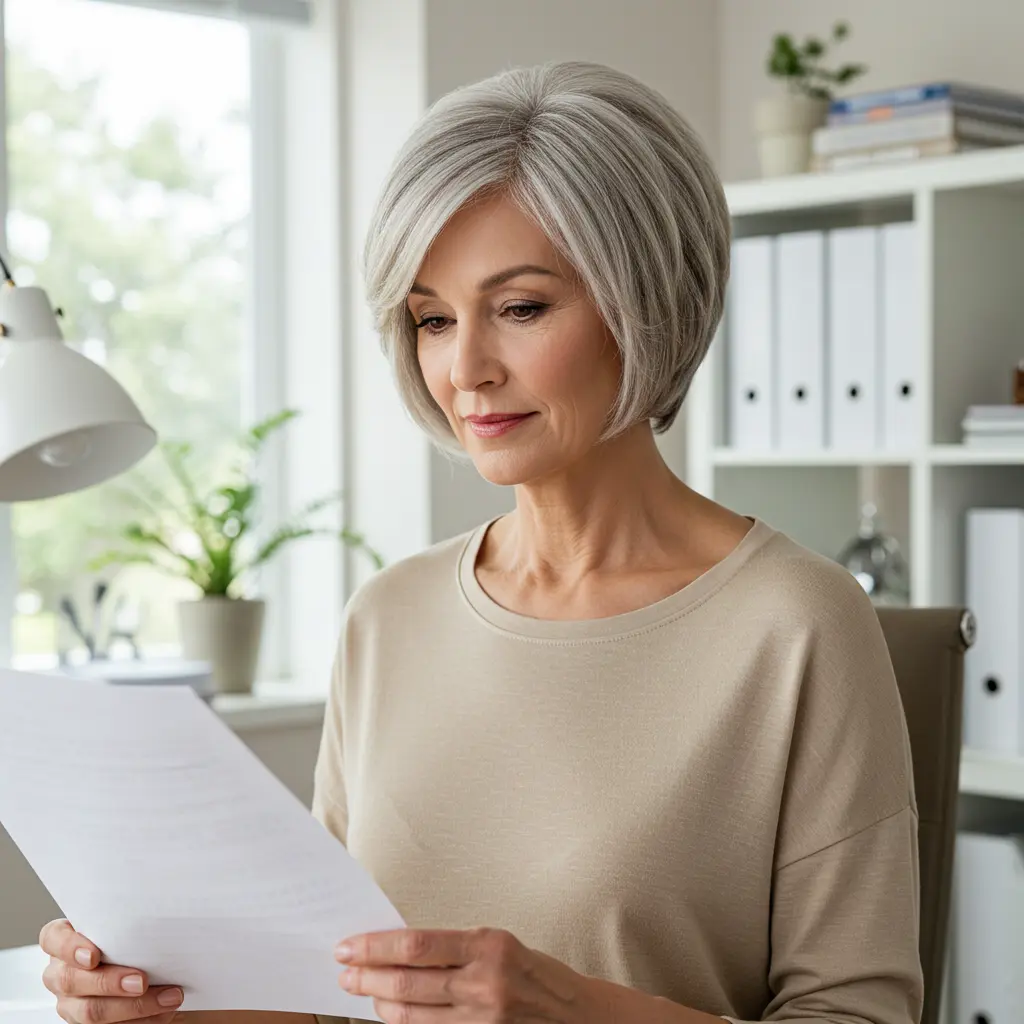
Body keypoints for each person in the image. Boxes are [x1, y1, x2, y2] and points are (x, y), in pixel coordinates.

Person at [39, 60, 923, 1024]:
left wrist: (574, 1011)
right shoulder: (390, 614)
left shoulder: (798, 624)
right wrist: (154, 999)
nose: (464, 370)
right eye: (431, 319)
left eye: (522, 308)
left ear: (649, 303)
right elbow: (332, 988)